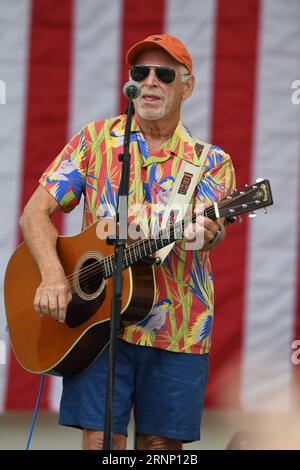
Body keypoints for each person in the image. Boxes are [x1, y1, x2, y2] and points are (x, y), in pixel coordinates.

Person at [19, 34, 235, 450]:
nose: (150, 82)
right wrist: (52, 275)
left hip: (178, 328)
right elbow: (35, 212)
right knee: (101, 442)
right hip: (98, 324)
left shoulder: (210, 163)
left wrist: (208, 234)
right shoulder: (95, 142)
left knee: (161, 449)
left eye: (165, 74)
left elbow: (211, 234)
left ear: (186, 87)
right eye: (141, 72)